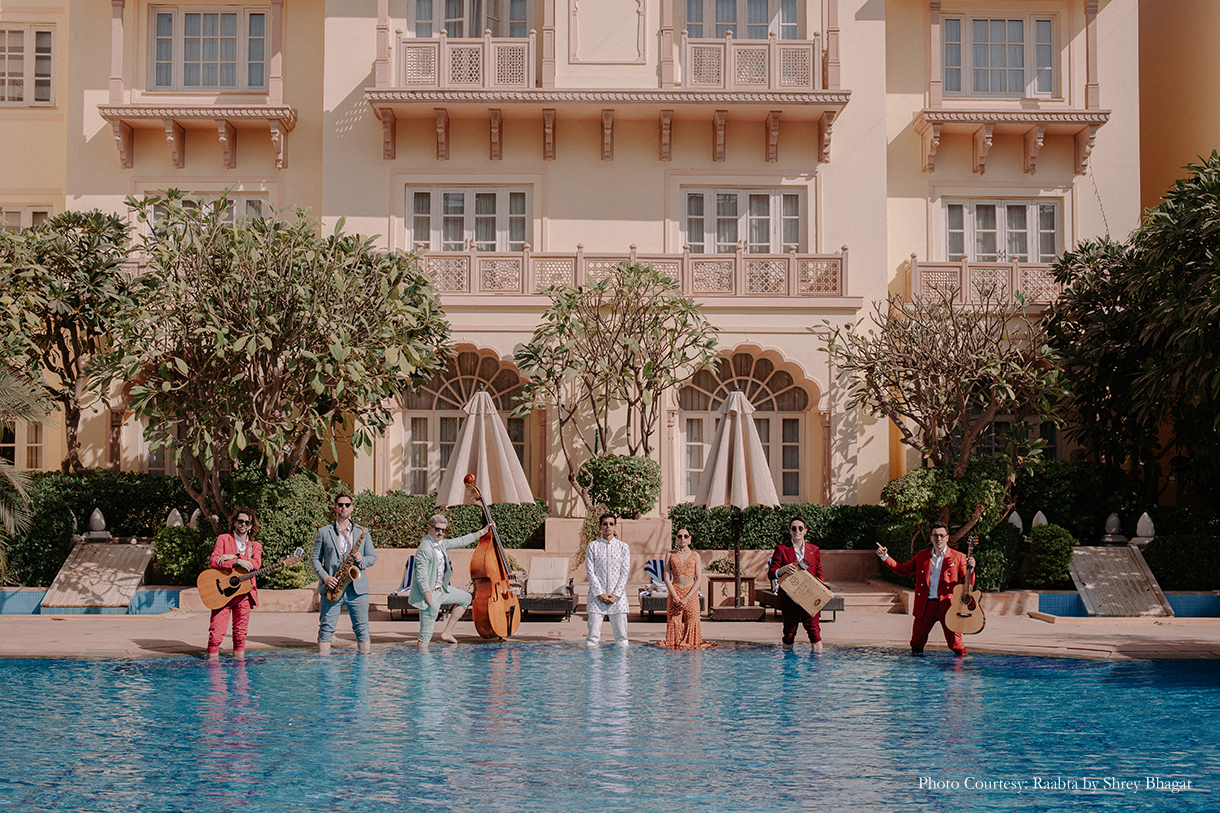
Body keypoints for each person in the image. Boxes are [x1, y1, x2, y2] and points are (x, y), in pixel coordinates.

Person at [876, 522, 975, 657]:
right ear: (931, 538)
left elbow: (968, 584)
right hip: (925, 605)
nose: (938, 539)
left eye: (941, 535)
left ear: (947, 538)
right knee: (916, 643)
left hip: (948, 606)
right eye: (935, 535)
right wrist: (884, 557)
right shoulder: (922, 556)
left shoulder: (959, 557)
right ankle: (919, 672)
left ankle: (962, 670)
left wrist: (971, 569)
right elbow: (902, 570)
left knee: (956, 645)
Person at [408, 514, 492, 649]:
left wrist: (483, 532)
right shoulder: (425, 548)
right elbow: (421, 576)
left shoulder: (442, 544)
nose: (440, 532)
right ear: (429, 528)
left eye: (443, 530)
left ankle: (447, 633)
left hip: (442, 590)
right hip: (430, 594)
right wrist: (429, 599)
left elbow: (461, 541)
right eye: (437, 529)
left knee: (465, 598)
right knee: (425, 636)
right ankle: (421, 667)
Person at [312, 492, 377, 655]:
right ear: (335, 507)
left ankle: (363, 670)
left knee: (362, 629)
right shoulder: (324, 532)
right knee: (326, 629)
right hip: (332, 586)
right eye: (340, 504)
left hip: (357, 588)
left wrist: (362, 560)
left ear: (352, 508)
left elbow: (373, 557)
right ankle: (324, 671)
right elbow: (314, 559)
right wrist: (325, 577)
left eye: (347, 505)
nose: (343, 507)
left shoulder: (363, 532)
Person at [206, 507, 262, 659]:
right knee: (216, 633)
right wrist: (236, 562)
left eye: (246, 522)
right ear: (234, 523)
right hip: (223, 592)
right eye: (240, 521)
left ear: (251, 526)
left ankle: (239, 672)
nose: (243, 524)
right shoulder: (223, 539)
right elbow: (214, 561)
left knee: (240, 634)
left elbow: (255, 565)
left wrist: (235, 556)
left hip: (245, 594)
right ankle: (212, 671)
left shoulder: (255, 546)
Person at [766, 515, 824, 653]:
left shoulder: (814, 549)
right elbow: (771, 573)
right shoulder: (781, 549)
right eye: (794, 528)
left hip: (809, 597)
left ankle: (817, 668)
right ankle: (788, 667)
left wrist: (821, 590)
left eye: (800, 528)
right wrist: (783, 569)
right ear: (790, 531)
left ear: (805, 531)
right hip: (789, 597)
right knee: (789, 633)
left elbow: (819, 572)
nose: (797, 531)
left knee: (815, 632)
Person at [585, 513, 630, 648]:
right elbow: (590, 571)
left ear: (615, 527)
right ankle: (593, 668)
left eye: (611, 524)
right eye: (605, 524)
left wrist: (616, 594)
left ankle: (621, 668)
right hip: (596, 597)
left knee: (622, 638)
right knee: (592, 638)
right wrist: (599, 593)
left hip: (618, 597)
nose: (608, 526)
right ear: (600, 527)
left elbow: (625, 572)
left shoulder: (623, 547)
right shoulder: (593, 546)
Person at [663, 526, 704, 649]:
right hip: (675, 593)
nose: (683, 538)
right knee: (674, 623)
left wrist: (688, 597)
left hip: (691, 594)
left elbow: (699, 579)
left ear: (689, 539)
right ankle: (675, 663)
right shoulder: (670, 555)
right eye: (680, 536)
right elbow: (666, 578)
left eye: (685, 536)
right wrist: (675, 596)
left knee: (692, 622)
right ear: (676, 539)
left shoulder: (695, 556)